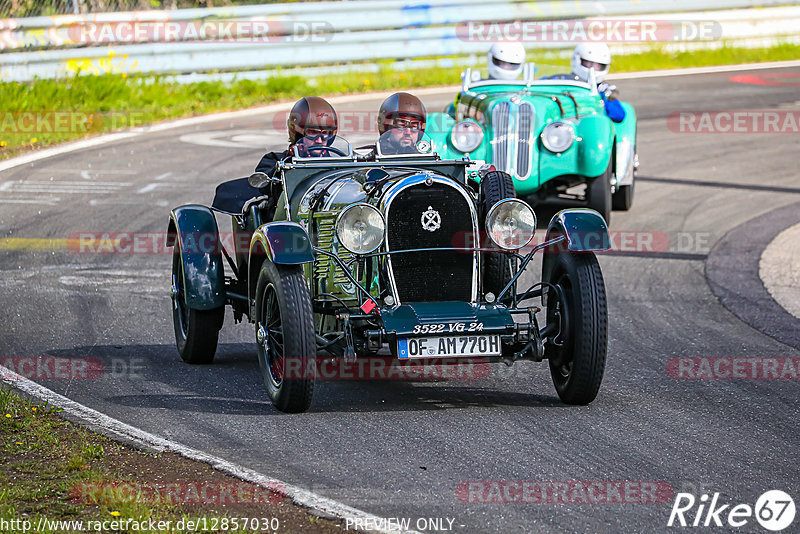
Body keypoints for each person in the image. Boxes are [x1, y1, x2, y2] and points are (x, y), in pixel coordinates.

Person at [255, 96, 338, 175]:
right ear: (298, 133)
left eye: (324, 133)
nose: (319, 140)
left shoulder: (339, 163)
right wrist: (289, 161)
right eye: (313, 133)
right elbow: (262, 184)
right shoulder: (273, 160)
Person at [569, 42, 626, 123]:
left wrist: (606, 97)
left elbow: (618, 115)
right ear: (578, 60)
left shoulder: (602, 89)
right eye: (589, 63)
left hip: (592, 125)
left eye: (598, 65)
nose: (593, 68)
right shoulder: (565, 82)